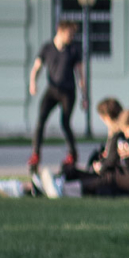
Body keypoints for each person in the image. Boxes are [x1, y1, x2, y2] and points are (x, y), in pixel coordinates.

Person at [26, 20, 83, 174]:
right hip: (52, 91)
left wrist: (84, 96)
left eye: (73, 34)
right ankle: (35, 154)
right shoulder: (47, 48)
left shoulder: (73, 50)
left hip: (68, 92)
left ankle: (72, 154)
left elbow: (80, 74)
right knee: (41, 121)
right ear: (60, 31)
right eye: (69, 34)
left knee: (65, 123)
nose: (71, 37)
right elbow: (36, 67)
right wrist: (33, 83)